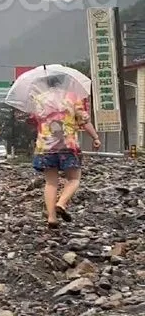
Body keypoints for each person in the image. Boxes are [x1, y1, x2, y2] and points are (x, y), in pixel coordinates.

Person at [31, 75, 101, 229]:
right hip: (67, 146)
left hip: (45, 146)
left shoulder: (39, 99)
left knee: (50, 183)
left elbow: (34, 119)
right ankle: (62, 203)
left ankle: (51, 218)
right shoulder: (72, 97)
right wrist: (95, 137)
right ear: (64, 83)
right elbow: (84, 121)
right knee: (74, 179)